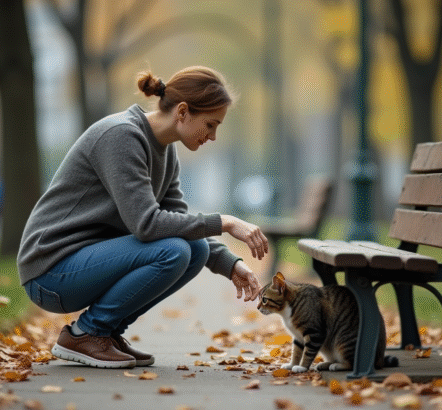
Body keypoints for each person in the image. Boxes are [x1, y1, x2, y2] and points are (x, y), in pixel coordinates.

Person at [17, 66, 269, 369]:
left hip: (83, 264)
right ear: (183, 111)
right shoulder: (121, 136)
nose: (213, 136)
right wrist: (226, 222)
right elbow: (147, 225)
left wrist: (228, 263)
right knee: (172, 251)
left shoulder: (166, 152)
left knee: (196, 250)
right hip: (50, 269)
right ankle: (87, 333)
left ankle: (106, 334)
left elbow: (177, 219)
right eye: (210, 124)